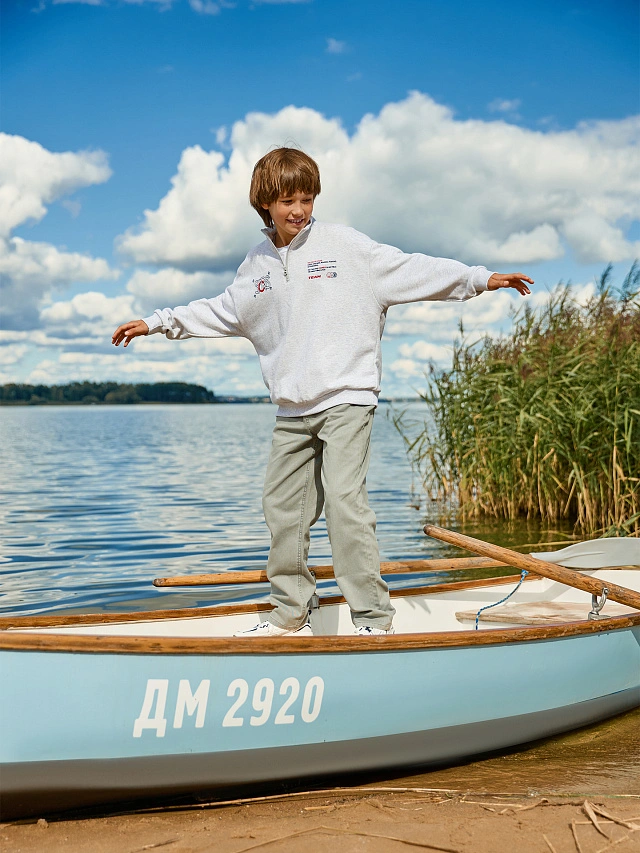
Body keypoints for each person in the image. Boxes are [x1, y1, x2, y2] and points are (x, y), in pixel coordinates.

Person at [112, 148, 532, 637]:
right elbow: (223, 309)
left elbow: (412, 269)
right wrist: (158, 323)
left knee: (344, 503)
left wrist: (480, 279)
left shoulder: (345, 246)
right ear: (265, 203)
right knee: (282, 510)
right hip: (293, 408)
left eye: (307, 199)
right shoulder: (256, 266)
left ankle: (374, 621)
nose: (299, 210)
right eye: (288, 200)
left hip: (347, 397)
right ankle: (291, 614)